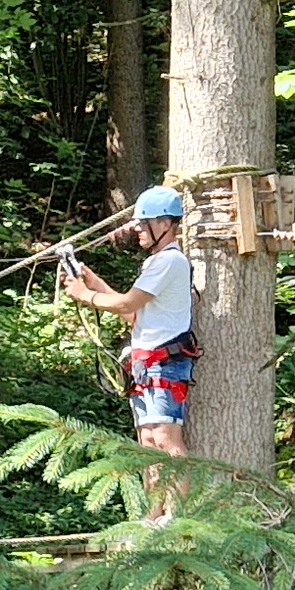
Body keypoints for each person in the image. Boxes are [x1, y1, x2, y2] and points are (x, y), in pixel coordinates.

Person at [58, 184, 193, 454]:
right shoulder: (155, 263)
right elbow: (133, 314)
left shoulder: (170, 261)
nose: (138, 229)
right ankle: (156, 499)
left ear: (165, 223)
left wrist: (85, 295)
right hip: (147, 366)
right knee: (149, 444)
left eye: (144, 223)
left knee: (165, 439)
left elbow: (128, 302)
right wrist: (95, 285)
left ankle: (181, 499)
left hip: (163, 365)